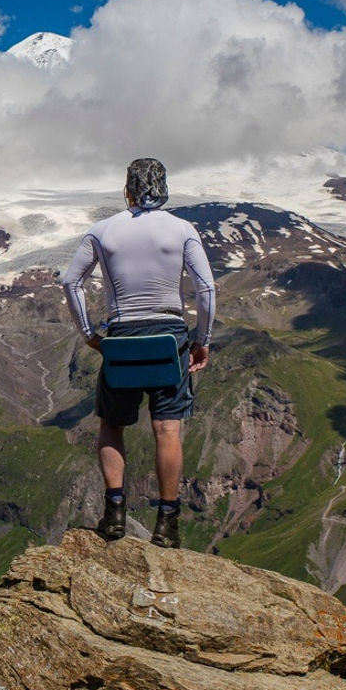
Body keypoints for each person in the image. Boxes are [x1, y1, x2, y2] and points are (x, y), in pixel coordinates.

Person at [60, 158, 215, 548]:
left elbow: (71, 281)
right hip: (170, 335)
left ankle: (114, 515)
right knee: (167, 429)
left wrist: (88, 333)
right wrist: (203, 339)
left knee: (112, 425)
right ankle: (168, 523)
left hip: (122, 333)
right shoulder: (182, 230)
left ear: (127, 189)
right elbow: (207, 289)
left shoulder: (102, 231)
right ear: (164, 189)